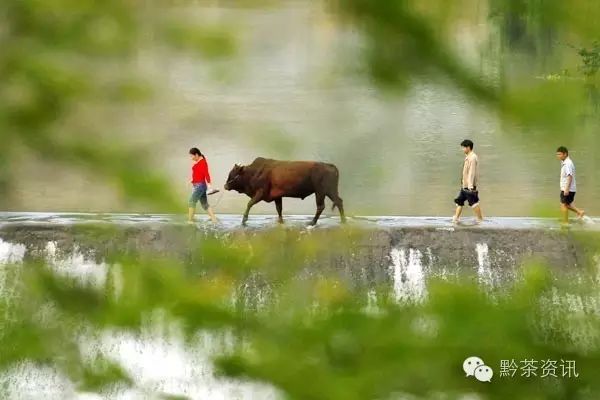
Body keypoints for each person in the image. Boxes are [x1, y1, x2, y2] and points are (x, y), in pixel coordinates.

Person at [453, 139, 483, 224]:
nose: (462, 150)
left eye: (463, 148)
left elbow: (472, 172)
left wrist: (470, 186)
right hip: (465, 185)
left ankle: (480, 219)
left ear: (468, 147)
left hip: (469, 186)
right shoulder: (468, 157)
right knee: (459, 201)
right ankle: (456, 218)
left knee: (473, 203)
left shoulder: (473, 157)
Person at [188, 147, 218, 224]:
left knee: (191, 201)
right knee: (204, 204)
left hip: (200, 186)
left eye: (192, 156)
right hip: (199, 185)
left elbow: (206, 174)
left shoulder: (203, 162)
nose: (191, 158)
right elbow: (198, 174)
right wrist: (192, 180)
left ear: (196, 154)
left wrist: (209, 185)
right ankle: (214, 219)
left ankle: (190, 220)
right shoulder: (200, 162)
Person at [556, 146, 585, 224]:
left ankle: (565, 222)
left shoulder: (568, 163)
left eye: (559, 154)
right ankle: (579, 212)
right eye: (557, 154)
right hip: (567, 188)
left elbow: (569, 176)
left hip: (568, 188)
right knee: (567, 205)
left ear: (565, 154)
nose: (558, 156)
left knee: (564, 205)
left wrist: (566, 189)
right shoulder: (565, 162)